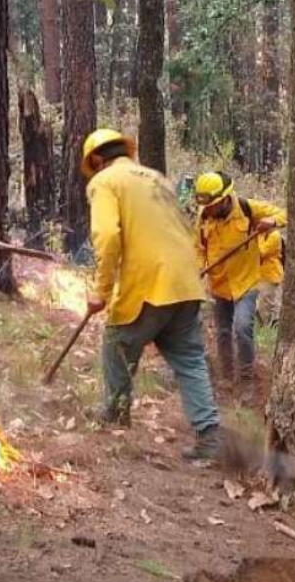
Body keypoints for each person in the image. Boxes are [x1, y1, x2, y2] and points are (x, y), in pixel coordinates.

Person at [80, 128, 222, 461]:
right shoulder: (158, 179)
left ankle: (115, 415)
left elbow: (107, 236)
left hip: (149, 283)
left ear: (97, 160)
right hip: (187, 282)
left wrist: (101, 290)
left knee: (117, 343)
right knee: (190, 361)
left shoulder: (105, 181)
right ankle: (210, 437)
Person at [193, 171, 287, 393]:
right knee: (223, 332)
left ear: (225, 198)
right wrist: (197, 269)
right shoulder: (203, 217)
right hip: (219, 284)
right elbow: (198, 249)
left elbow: (286, 213)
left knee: (243, 328)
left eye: (213, 205)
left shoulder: (247, 208)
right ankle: (227, 377)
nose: (209, 210)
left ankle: (246, 381)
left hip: (246, 282)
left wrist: (272, 221)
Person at [256, 229, 284, 326]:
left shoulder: (275, 235)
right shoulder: (262, 234)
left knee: (267, 303)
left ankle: (268, 327)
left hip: (271, 274)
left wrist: (257, 237)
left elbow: (261, 252)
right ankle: (264, 326)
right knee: (262, 304)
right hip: (261, 274)